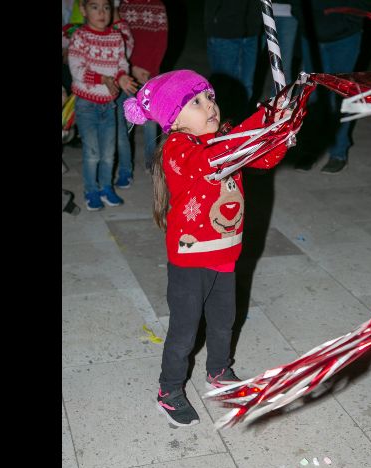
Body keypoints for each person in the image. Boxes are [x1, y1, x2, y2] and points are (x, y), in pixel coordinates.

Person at [123, 69, 292, 426]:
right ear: (174, 119)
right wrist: (262, 119)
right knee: (184, 333)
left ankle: (219, 371)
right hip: (191, 258)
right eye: (196, 102)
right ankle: (169, 391)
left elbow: (263, 158)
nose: (210, 106)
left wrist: (280, 131)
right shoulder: (178, 149)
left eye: (210, 97)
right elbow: (212, 161)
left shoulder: (224, 141)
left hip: (225, 253)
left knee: (223, 321)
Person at [68, 0, 138, 210]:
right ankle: (91, 190)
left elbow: (121, 63)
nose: (101, 12)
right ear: (83, 10)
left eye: (106, 7)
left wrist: (122, 77)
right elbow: (76, 68)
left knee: (108, 153)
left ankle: (106, 187)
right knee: (93, 153)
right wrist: (103, 79)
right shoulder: (80, 36)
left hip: (109, 105)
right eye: (94, 7)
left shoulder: (116, 37)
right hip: (86, 105)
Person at [296, 0, 371, 174]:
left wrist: (350, 18)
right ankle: (312, 149)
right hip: (310, 34)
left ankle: (338, 152)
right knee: (312, 94)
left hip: (344, 36)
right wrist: (302, 16)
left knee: (340, 95)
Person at [114, 0, 169, 187]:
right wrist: (130, 68)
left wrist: (151, 72)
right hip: (126, 73)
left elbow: (161, 41)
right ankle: (125, 169)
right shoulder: (123, 5)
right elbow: (119, 40)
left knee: (150, 121)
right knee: (124, 124)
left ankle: (151, 162)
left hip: (149, 75)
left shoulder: (157, 6)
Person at [203, 0, 262, 123]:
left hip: (251, 31)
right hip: (224, 30)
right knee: (223, 90)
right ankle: (219, 128)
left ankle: (239, 127)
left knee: (247, 87)